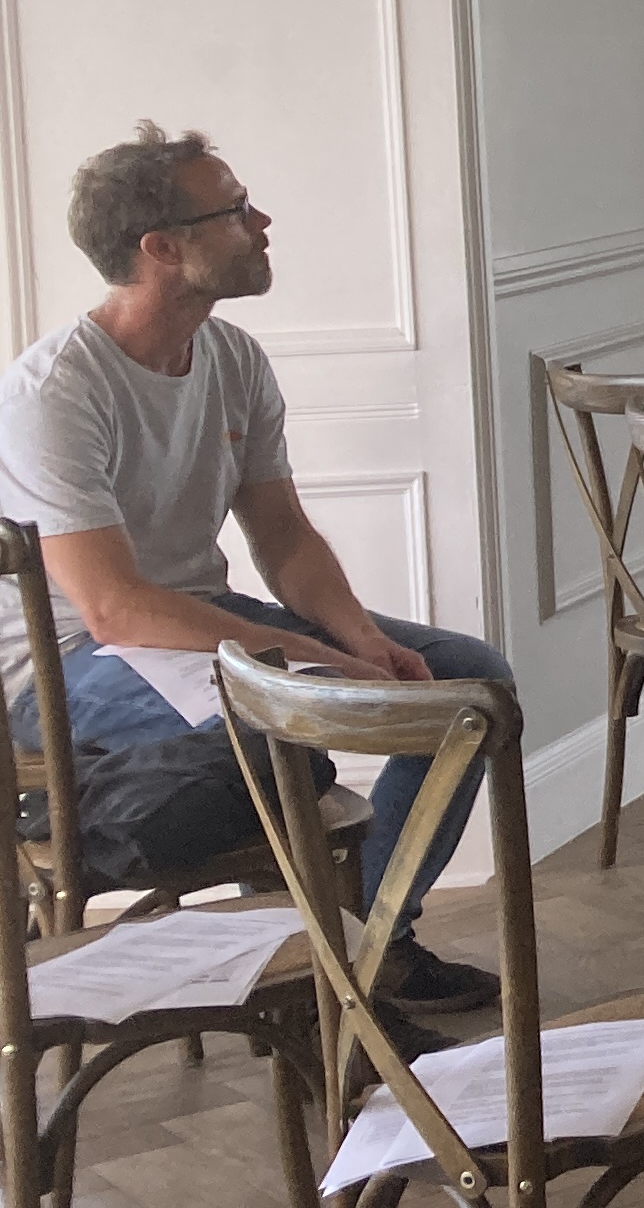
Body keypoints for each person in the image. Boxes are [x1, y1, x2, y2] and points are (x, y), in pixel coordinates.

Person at [0, 124, 521, 1011]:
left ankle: (365, 949)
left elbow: (281, 536)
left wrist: (354, 635)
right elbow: (116, 609)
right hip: (67, 662)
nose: (263, 220)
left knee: (469, 678)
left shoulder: (232, 356)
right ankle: (312, 975)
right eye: (236, 209)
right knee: (280, 725)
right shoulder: (56, 392)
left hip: (192, 617)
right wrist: (317, 666)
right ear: (162, 248)